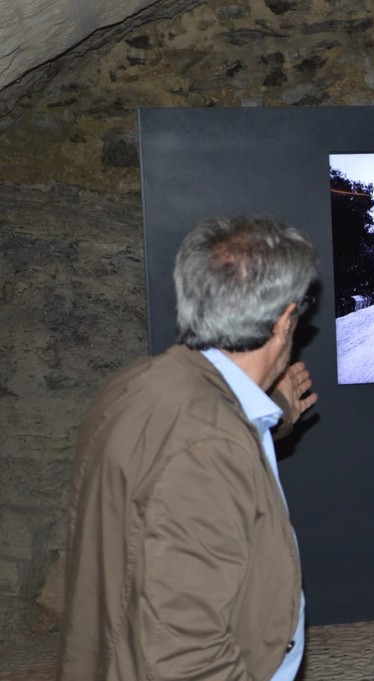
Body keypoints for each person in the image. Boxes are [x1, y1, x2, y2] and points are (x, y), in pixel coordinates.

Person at [58, 216, 319, 680]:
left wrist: (275, 409)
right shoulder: (208, 450)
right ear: (284, 320)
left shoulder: (138, 384)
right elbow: (186, 655)